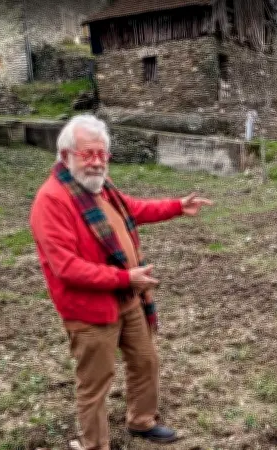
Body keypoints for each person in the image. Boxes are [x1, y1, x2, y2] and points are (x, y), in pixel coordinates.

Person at [29, 114, 213, 450]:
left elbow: (133, 210)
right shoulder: (52, 200)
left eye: (102, 154)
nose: (97, 162)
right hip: (90, 310)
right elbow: (66, 267)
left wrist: (176, 206)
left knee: (145, 360)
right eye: (88, 154)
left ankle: (142, 421)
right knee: (95, 383)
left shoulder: (101, 188)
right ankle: (94, 444)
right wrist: (124, 277)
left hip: (127, 297)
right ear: (66, 155)